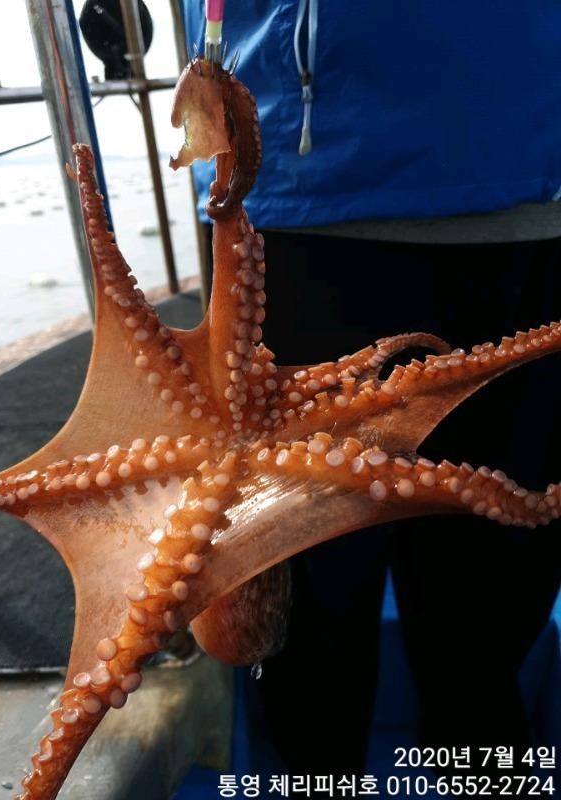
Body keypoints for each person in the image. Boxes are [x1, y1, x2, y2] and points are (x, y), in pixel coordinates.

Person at [179, 0, 561, 788]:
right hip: (306, 196)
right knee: (309, 618)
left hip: (531, 198)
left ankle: (473, 772)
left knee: (487, 614)